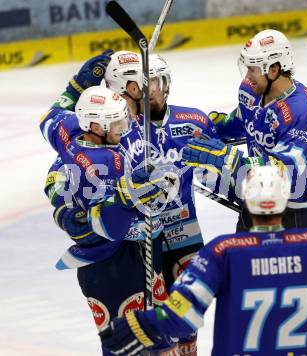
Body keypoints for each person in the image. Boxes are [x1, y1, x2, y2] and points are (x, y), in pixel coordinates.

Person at [98, 164, 307, 356]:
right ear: (284, 202)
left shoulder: (223, 251)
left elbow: (182, 315)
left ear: (246, 204)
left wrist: (140, 325)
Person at [43, 50, 219, 356]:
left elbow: (52, 122)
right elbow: (61, 179)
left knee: (173, 325)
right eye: (145, 83)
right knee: (129, 339)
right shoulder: (112, 144)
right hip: (123, 251)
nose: (154, 89)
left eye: (157, 82)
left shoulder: (101, 129)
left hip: (161, 234)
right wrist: (66, 205)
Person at [40, 83, 170, 355]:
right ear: (96, 127)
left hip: (102, 264)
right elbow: (111, 224)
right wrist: (136, 194)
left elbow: (50, 121)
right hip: (116, 261)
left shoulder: (68, 135)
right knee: (131, 343)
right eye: (116, 123)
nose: (124, 128)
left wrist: (77, 84)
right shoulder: (109, 163)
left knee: (138, 339)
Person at [184, 29, 307, 233]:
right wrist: (216, 126)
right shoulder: (251, 89)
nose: (248, 76)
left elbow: (284, 170)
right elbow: (246, 117)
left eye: (253, 69)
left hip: (298, 210)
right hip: (255, 200)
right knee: (244, 264)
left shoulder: (302, 112)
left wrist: (229, 159)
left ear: (274, 69)